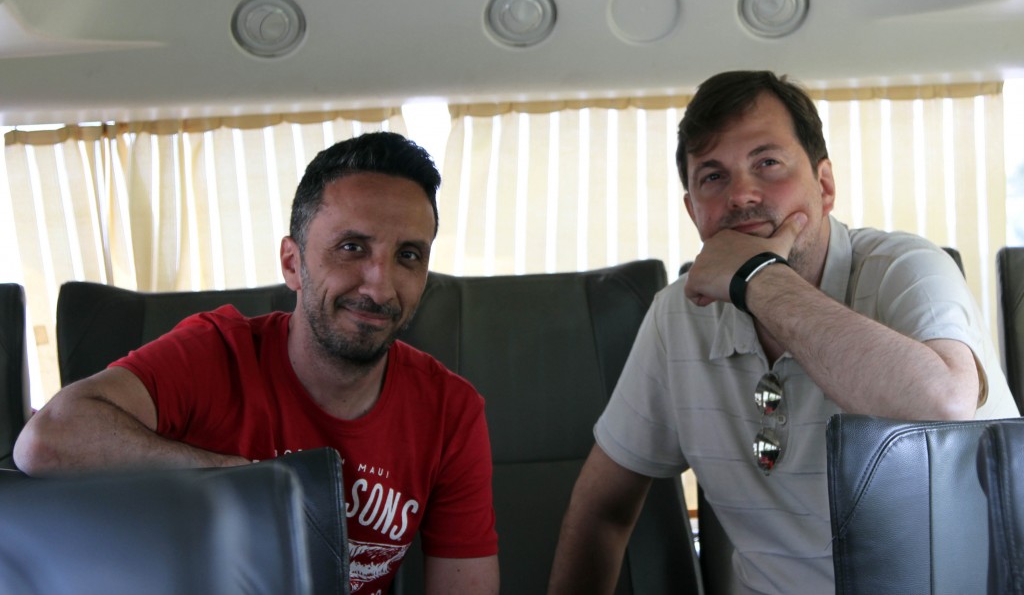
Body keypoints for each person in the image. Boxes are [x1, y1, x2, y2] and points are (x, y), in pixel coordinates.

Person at [548, 71, 1019, 594]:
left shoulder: (905, 267)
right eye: (712, 176)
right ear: (692, 210)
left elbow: (945, 405)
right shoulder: (676, 318)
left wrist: (758, 279)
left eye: (767, 163)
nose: (741, 195)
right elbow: (602, 509)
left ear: (824, 186)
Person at [14, 132, 500, 595]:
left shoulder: (450, 410)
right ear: (292, 263)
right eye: (352, 248)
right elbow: (47, 441)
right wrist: (246, 482)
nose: (380, 286)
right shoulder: (214, 353)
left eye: (408, 255)